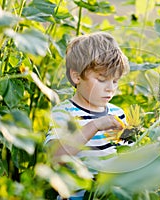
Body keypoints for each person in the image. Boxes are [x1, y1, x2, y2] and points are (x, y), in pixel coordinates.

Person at [45, 32, 130, 199]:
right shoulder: (64, 113)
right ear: (77, 76)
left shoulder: (117, 113)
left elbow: (125, 156)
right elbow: (56, 157)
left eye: (115, 81)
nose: (110, 88)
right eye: (102, 79)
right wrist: (95, 125)